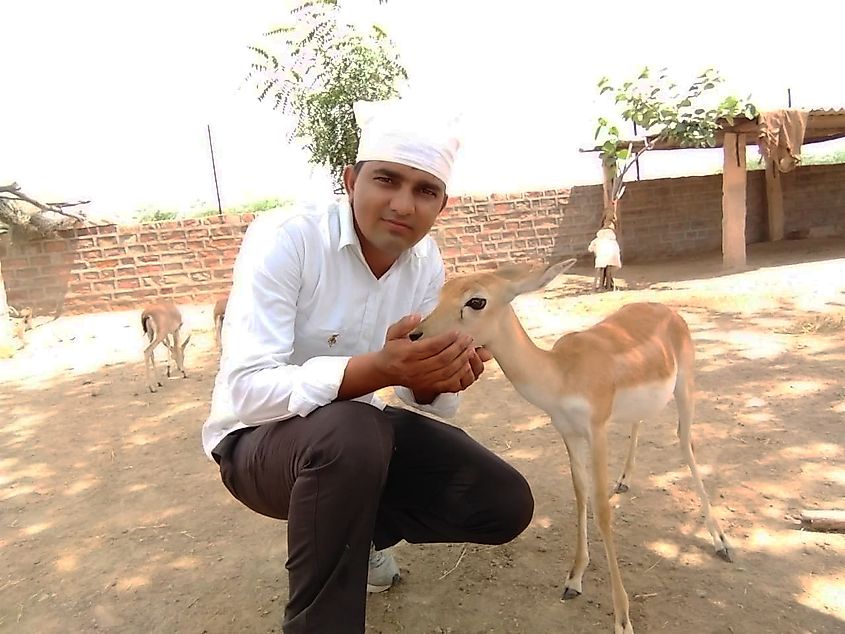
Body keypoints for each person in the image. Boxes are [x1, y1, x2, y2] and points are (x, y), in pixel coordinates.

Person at [201, 99, 535, 634]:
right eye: (386, 180)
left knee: (502, 502)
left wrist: (439, 376)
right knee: (352, 430)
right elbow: (246, 391)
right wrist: (381, 369)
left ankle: (358, 534)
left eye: (425, 190)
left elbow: (415, 394)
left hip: (356, 443)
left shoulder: (426, 263)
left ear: (442, 205)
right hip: (255, 447)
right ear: (350, 179)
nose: (403, 204)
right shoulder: (286, 238)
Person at [587, 226, 622, 291]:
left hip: (601, 257)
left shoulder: (597, 240)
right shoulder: (613, 241)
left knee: (601, 271)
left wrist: (594, 249)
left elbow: (590, 249)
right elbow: (617, 250)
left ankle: (601, 286)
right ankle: (608, 286)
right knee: (609, 271)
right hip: (613, 258)